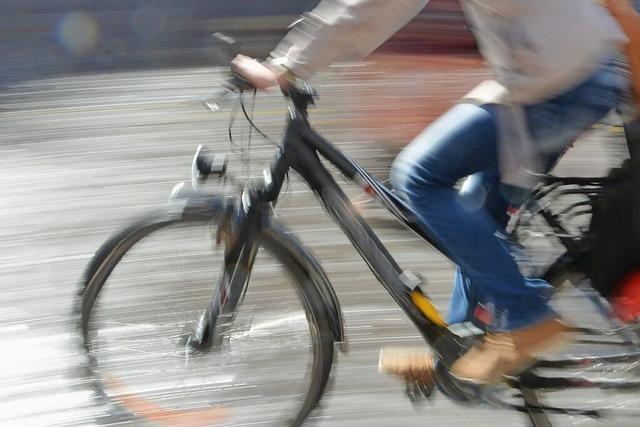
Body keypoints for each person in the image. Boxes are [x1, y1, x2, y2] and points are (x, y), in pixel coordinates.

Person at [231, 0, 639, 387]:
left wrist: (286, 64)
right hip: (579, 71)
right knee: (474, 207)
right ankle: (462, 349)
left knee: (418, 176)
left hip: (556, 83)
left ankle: (527, 319)